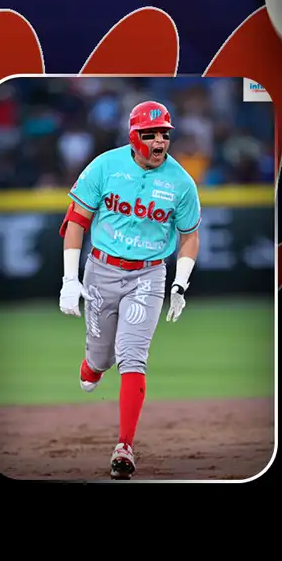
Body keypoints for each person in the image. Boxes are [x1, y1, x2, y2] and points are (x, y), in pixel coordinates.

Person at [57, 100, 202, 479]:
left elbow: (189, 236)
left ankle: (124, 446)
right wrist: (69, 279)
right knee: (100, 361)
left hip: (149, 275)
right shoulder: (105, 166)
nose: (159, 142)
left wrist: (180, 283)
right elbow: (76, 221)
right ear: (133, 137)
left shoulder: (181, 183)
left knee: (133, 357)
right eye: (150, 134)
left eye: (165, 134)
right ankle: (92, 365)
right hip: (102, 270)